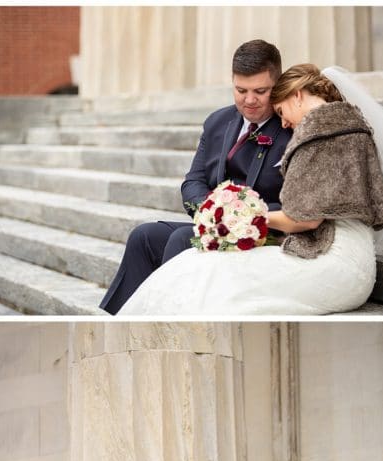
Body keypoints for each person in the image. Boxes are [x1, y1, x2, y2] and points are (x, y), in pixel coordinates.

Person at [118, 64, 383, 315]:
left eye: (281, 111)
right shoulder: (351, 125)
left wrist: (245, 215)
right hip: (353, 257)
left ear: (298, 95)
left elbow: (306, 219)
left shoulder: (318, 133)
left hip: (332, 262)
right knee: (179, 257)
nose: (283, 123)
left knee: (200, 271)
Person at [100, 40, 292, 313]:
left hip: (263, 233)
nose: (249, 100)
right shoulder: (218, 122)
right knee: (144, 236)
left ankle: (166, 318)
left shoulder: (290, 129)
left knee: (181, 240)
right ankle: (116, 318)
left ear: (277, 84)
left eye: (261, 91)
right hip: (213, 223)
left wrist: (240, 217)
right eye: (241, 90)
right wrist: (211, 212)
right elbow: (193, 181)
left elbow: (294, 202)